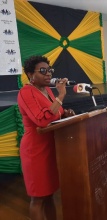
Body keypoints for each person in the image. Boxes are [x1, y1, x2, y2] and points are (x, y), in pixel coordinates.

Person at [17, 55, 75, 220]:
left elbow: (55, 113)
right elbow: (42, 120)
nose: (48, 74)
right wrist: (61, 95)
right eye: (43, 71)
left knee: (49, 194)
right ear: (30, 74)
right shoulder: (25, 92)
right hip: (35, 150)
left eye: (50, 70)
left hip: (50, 148)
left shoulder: (48, 90)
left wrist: (65, 113)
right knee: (38, 198)